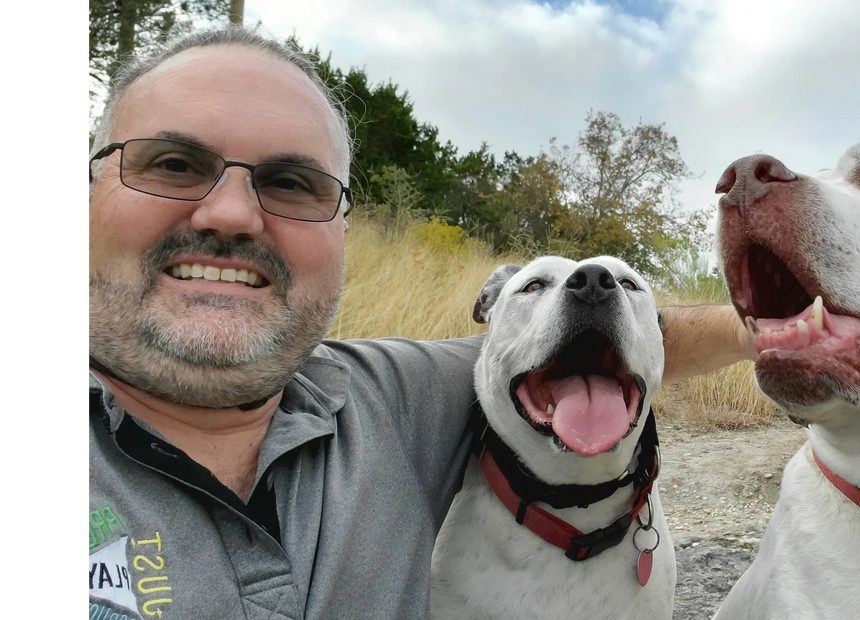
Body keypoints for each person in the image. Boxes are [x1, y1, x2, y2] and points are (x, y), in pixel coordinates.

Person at [85, 26, 753, 620]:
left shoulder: (395, 399)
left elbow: (621, 338)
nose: (229, 213)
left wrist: (789, 325)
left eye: (290, 182)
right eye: (172, 165)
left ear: (342, 232)